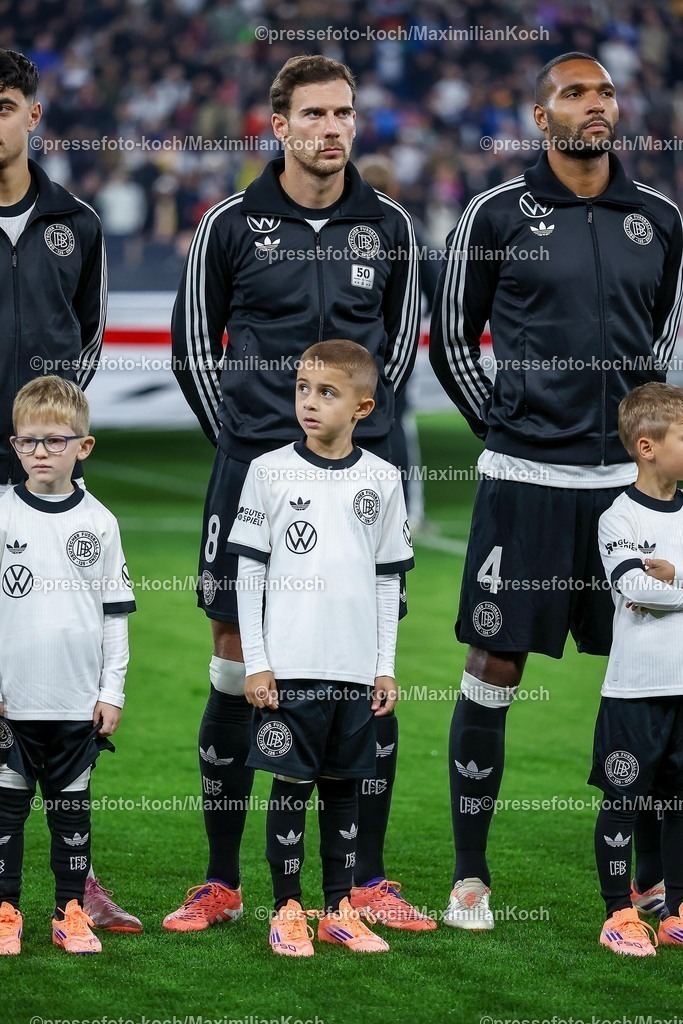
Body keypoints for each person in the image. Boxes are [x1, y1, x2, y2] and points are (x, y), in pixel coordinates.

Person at [168, 54, 430, 932]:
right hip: (252, 469)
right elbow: (194, 350)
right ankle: (221, 880)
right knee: (241, 660)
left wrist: (350, 448)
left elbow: (395, 353)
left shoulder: (388, 224)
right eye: (313, 114)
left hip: (358, 484)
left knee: (364, 667)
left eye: (344, 114)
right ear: (278, 125)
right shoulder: (230, 226)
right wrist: (253, 451)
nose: (332, 129)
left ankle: (364, 883)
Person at [429, 52, 683, 929]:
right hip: (525, 483)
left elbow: (666, 349)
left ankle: (652, 879)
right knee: (494, 666)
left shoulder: (657, 217)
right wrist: (508, 427)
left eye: (606, 91)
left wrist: (656, 462)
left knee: (653, 678)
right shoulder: (494, 214)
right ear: (541, 118)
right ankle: (470, 877)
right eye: (575, 93)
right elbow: (452, 342)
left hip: (631, 494)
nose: (596, 105)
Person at [0, 47, 140, 933]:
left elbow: (83, 340)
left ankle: (68, 883)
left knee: (47, 665)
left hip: (35, 464)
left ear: (33, 115)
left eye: (5, 103)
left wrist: (43, 437)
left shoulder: (74, 221)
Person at [227, 340, 415, 955]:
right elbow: (248, 576)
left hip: (355, 671)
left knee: (343, 790)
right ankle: (286, 909)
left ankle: (339, 907)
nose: (309, 402)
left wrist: (383, 669)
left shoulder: (384, 480)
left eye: (326, 392)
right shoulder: (269, 471)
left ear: (363, 406)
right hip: (291, 669)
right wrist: (257, 661)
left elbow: (390, 579)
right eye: (303, 388)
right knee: (290, 785)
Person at [0, 377, 136, 956]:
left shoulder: (100, 523)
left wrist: (113, 692)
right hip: (13, 700)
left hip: (76, 701)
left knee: (71, 815)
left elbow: (115, 618)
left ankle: (69, 911)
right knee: (6, 813)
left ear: (84, 447)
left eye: (55, 442)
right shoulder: (2, 515)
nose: (39, 453)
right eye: (27, 442)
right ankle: (6, 912)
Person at [592, 382, 683, 957]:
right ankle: (618, 912)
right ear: (647, 447)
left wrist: (674, 580)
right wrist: (661, 580)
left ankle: (675, 909)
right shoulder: (616, 518)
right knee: (623, 800)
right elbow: (635, 587)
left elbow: (660, 590)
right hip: (634, 690)